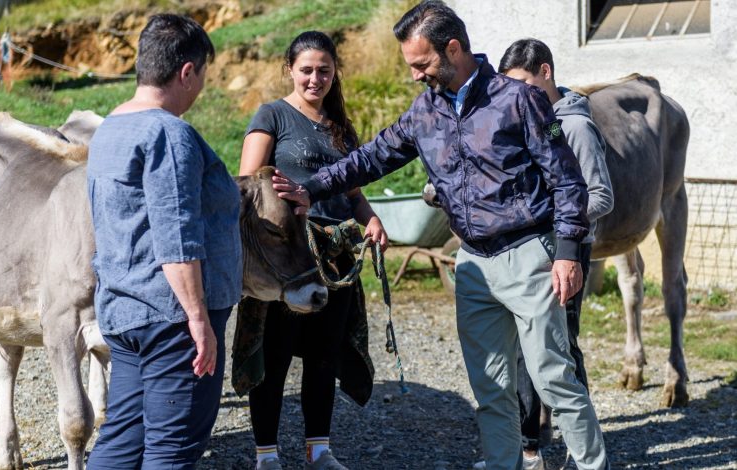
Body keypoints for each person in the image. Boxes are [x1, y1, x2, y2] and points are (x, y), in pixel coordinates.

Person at [275, 2, 610, 469]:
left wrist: (569, 253)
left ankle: (594, 465)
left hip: (529, 256)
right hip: (471, 264)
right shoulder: (424, 111)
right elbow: (370, 158)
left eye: (422, 63)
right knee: (490, 387)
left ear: (453, 48)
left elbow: (567, 180)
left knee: (555, 379)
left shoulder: (520, 100)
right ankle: (502, 464)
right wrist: (309, 189)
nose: (415, 75)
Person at [85, 14, 241, 469]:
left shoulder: (110, 128)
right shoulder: (168, 134)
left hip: (124, 310)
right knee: (173, 449)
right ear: (186, 71)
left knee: (122, 441)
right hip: (172, 320)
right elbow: (177, 236)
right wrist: (198, 320)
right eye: (203, 76)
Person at [234, 31, 387, 470]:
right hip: (288, 258)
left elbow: (354, 195)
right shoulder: (273, 116)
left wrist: (371, 219)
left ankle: (318, 450)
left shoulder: (341, 129)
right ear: (290, 70)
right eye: (306, 70)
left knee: (325, 355)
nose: (315, 79)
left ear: (335, 71)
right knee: (276, 355)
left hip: (336, 260)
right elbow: (249, 187)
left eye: (324, 70)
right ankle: (266, 454)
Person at [485, 38, 615, 469]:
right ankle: (529, 449)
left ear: (546, 71)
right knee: (524, 353)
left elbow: (600, 197)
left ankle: (583, 454)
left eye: (522, 83)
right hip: (529, 252)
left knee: (561, 354)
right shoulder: (527, 119)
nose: (515, 95)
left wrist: (547, 219)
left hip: (566, 253)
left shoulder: (574, 126)